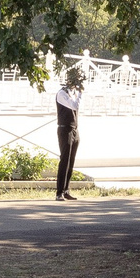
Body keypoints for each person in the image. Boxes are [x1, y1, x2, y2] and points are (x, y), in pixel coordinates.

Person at [53, 68, 84, 200]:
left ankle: (66, 190)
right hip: (64, 129)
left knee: (71, 160)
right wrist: (80, 94)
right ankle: (59, 192)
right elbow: (74, 106)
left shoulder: (73, 93)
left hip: (74, 129)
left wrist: (77, 92)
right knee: (64, 159)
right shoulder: (62, 93)